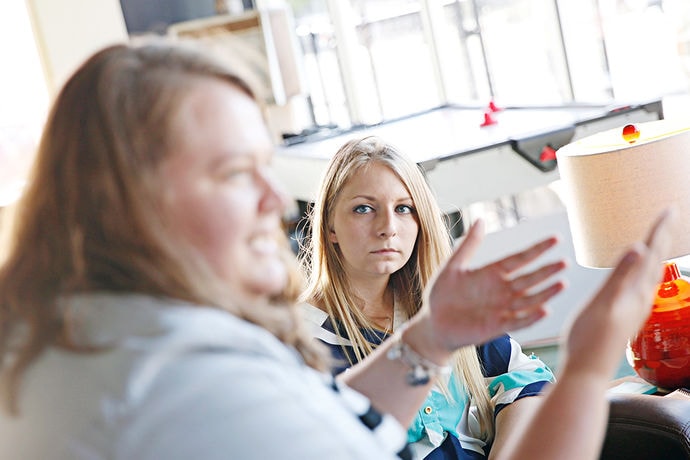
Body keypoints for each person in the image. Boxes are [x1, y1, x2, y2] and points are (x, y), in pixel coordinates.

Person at [0, 38, 673, 460]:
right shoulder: (185, 383)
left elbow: (341, 422)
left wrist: (432, 339)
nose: (274, 199)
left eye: (266, 166)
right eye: (234, 172)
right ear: (126, 200)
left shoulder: (98, 336)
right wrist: (589, 365)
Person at [299, 137, 562, 459]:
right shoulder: (300, 341)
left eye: (403, 208)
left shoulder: (442, 307)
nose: (388, 228)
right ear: (330, 227)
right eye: (364, 209)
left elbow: (526, 380)